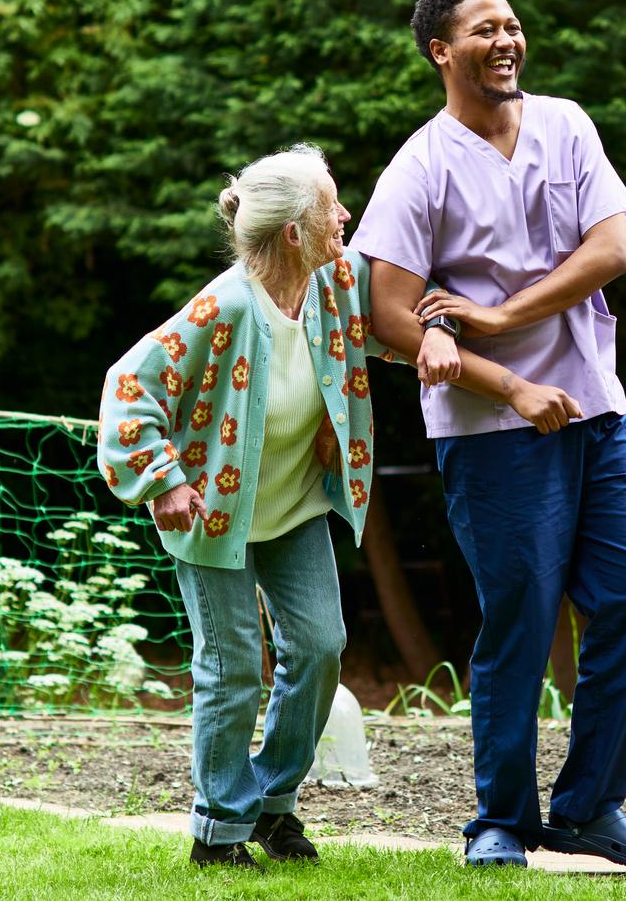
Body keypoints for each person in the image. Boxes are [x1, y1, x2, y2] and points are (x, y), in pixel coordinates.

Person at [352, 0, 626, 870]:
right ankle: (499, 819)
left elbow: (612, 247)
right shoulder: (420, 166)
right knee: (522, 620)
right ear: (441, 52)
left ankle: (590, 807)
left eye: (513, 25)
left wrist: (499, 316)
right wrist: (506, 381)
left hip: (595, 408)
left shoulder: (566, 125)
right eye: (484, 30)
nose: (507, 40)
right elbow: (389, 312)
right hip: (491, 431)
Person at [95, 145, 458, 870]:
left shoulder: (339, 283)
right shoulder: (226, 306)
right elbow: (128, 386)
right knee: (233, 671)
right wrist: (163, 480)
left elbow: (402, 313)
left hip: (292, 507)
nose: (345, 215)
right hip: (214, 516)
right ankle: (218, 833)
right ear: (295, 231)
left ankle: (269, 803)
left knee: (320, 649)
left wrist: (442, 329)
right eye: (331, 205)